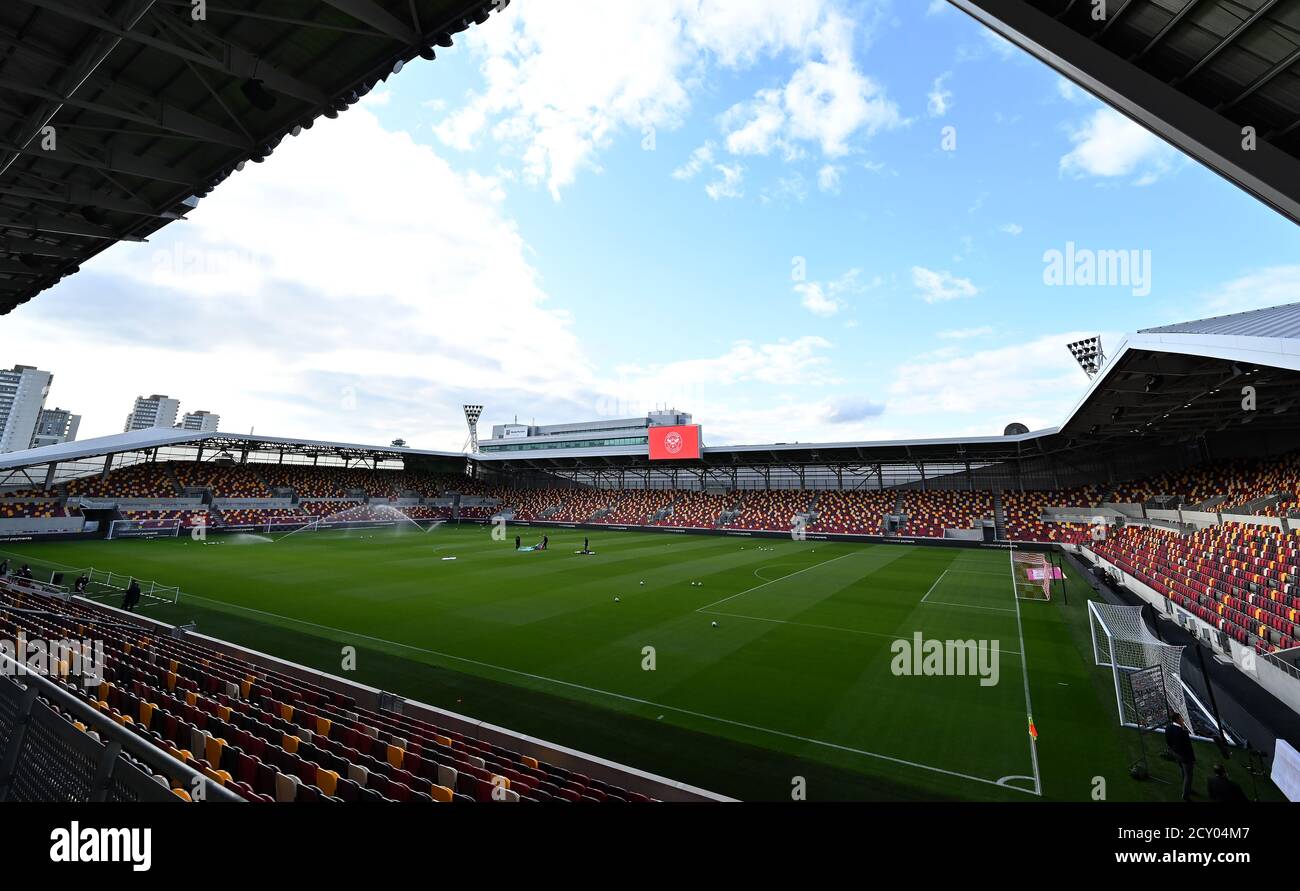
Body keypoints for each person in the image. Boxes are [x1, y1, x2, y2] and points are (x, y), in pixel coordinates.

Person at [1166, 712, 1196, 801]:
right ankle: (1186, 794)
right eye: (1181, 718)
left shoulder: (1168, 727)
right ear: (1178, 719)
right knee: (1188, 775)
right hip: (1185, 757)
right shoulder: (1183, 732)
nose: (1183, 719)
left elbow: (1168, 742)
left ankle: (1187, 789)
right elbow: (1188, 748)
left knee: (1183, 771)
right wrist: (1193, 759)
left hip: (1176, 754)